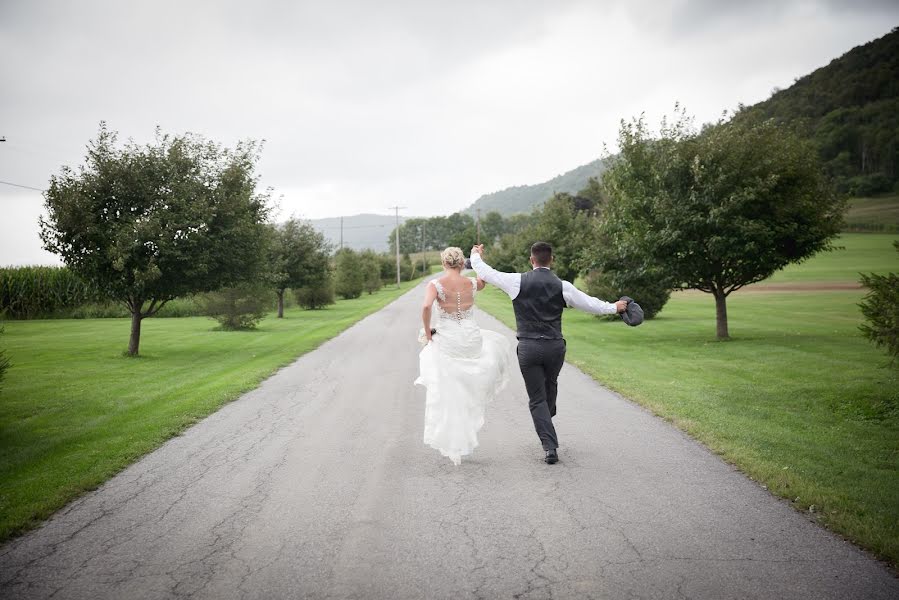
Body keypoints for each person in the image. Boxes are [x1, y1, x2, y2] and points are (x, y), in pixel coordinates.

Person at [470, 242, 627, 464]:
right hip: (555, 347)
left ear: (531, 260)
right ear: (551, 260)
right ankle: (549, 442)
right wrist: (614, 307)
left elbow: (487, 272)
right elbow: (589, 304)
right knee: (548, 388)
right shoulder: (563, 286)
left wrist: (475, 255)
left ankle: (546, 430)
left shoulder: (517, 281)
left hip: (529, 347)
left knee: (538, 399)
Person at [414, 247, 515, 466]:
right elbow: (483, 280)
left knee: (447, 387)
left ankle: (453, 434)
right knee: (466, 385)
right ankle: (465, 424)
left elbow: (425, 306)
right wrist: (479, 258)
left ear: (444, 263)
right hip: (471, 339)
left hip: (449, 340)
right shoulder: (471, 283)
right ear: (461, 264)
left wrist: (428, 330)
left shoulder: (435, 285)